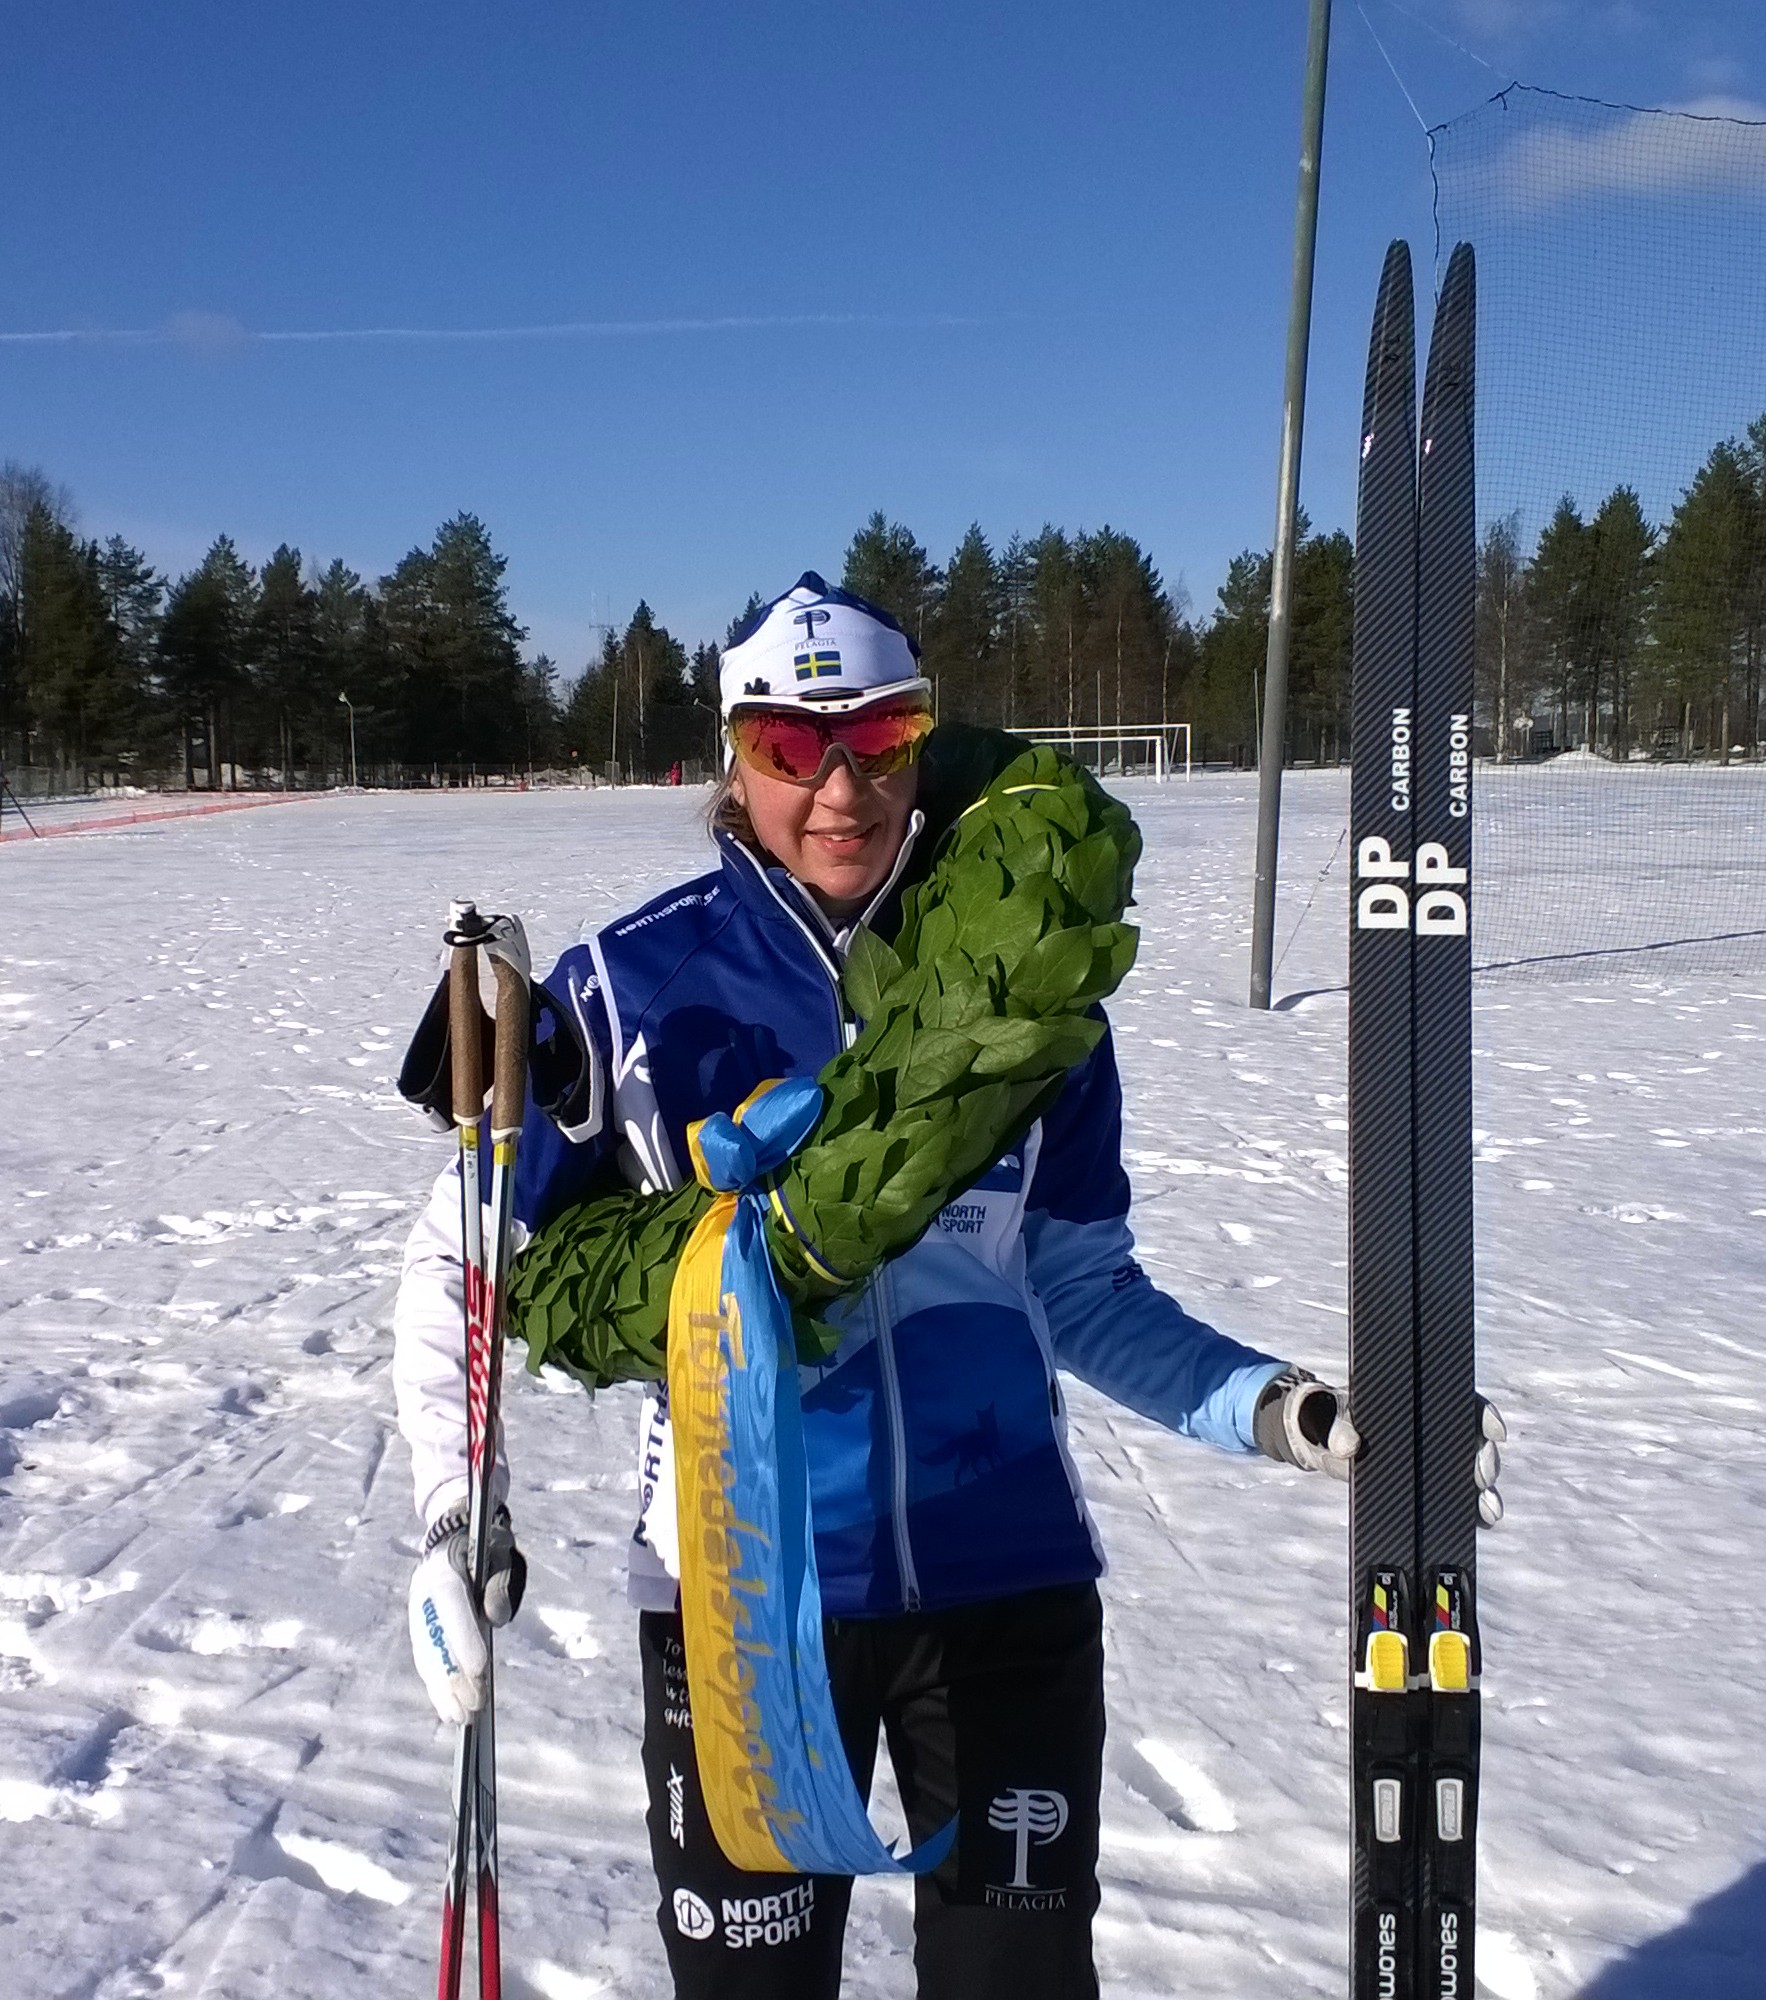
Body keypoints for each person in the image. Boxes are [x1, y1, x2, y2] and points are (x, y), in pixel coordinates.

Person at [392, 574, 1501, 2000]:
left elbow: (1081, 1290)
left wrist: (1283, 1410)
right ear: (736, 758)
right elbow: (461, 1267)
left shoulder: (1023, 1000)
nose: (839, 786)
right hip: (738, 1604)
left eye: (880, 734)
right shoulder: (626, 989)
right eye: (793, 746)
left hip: (1006, 1591)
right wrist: (448, 1509)